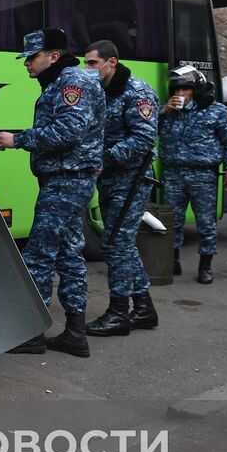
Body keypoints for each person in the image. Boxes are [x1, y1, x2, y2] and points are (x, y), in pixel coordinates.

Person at [0, 27, 105, 357]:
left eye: (32, 57)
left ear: (53, 56)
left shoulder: (75, 82)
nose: (26, 63)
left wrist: (19, 139)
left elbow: (69, 132)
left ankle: (31, 333)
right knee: (69, 256)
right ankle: (75, 332)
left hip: (67, 180)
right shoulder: (60, 82)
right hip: (64, 178)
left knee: (39, 254)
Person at [81, 41, 160, 337]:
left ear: (111, 62)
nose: (87, 69)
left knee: (115, 244)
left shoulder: (137, 93)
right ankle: (143, 308)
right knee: (121, 243)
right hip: (111, 178)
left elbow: (144, 139)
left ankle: (118, 313)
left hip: (130, 178)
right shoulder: (101, 91)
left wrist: (106, 159)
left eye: (91, 63)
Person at [159, 66, 227, 285]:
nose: (180, 95)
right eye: (176, 90)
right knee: (172, 222)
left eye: (186, 89)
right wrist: (163, 112)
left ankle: (205, 266)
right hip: (174, 174)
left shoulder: (216, 111)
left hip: (203, 175)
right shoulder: (168, 111)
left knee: (205, 223)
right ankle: (172, 261)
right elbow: (146, 130)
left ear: (196, 90)